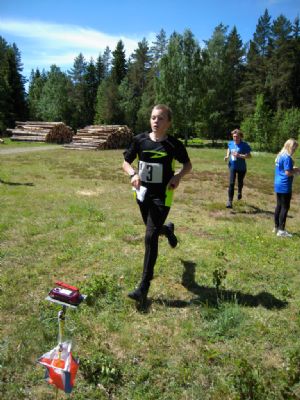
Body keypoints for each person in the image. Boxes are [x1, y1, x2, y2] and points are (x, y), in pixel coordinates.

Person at [122, 104, 192, 303]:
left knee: (150, 236)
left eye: (160, 118)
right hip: (143, 194)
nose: (156, 121)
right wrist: (133, 174)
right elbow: (125, 162)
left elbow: (188, 165)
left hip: (163, 195)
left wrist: (178, 176)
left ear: (168, 123)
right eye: (153, 117)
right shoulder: (140, 140)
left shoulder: (173, 144)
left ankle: (143, 286)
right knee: (152, 229)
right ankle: (167, 229)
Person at [274, 138, 299, 237]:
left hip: (278, 183)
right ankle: (281, 230)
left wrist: (294, 168)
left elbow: (284, 169)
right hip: (285, 185)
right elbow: (288, 173)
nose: (294, 151)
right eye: (293, 149)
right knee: (285, 207)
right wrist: (296, 171)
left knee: (279, 206)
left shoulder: (280, 155)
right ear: (289, 147)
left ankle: (276, 227)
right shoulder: (287, 158)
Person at [224, 129, 252, 208]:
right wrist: (227, 156)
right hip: (232, 166)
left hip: (242, 168)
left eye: (237, 136)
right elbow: (229, 148)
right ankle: (230, 201)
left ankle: (239, 191)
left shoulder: (244, 145)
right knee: (231, 183)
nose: (235, 138)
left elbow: (249, 156)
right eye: (234, 136)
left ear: (240, 137)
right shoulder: (231, 143)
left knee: (240, 182)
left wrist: (239, 155)